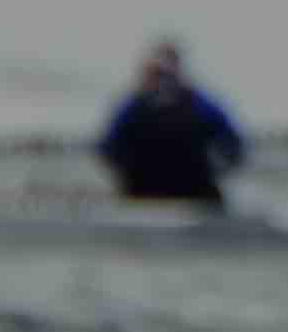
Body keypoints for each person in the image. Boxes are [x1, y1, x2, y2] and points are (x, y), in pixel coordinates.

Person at [94, 39, 247, 208]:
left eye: (167, 72)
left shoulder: (200, 104)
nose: (163, 81)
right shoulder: (133, 106)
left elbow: (234, 144)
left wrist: (217, 170)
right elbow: (107, 147)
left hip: (194, 191)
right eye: (158, 73)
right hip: (143, 191)